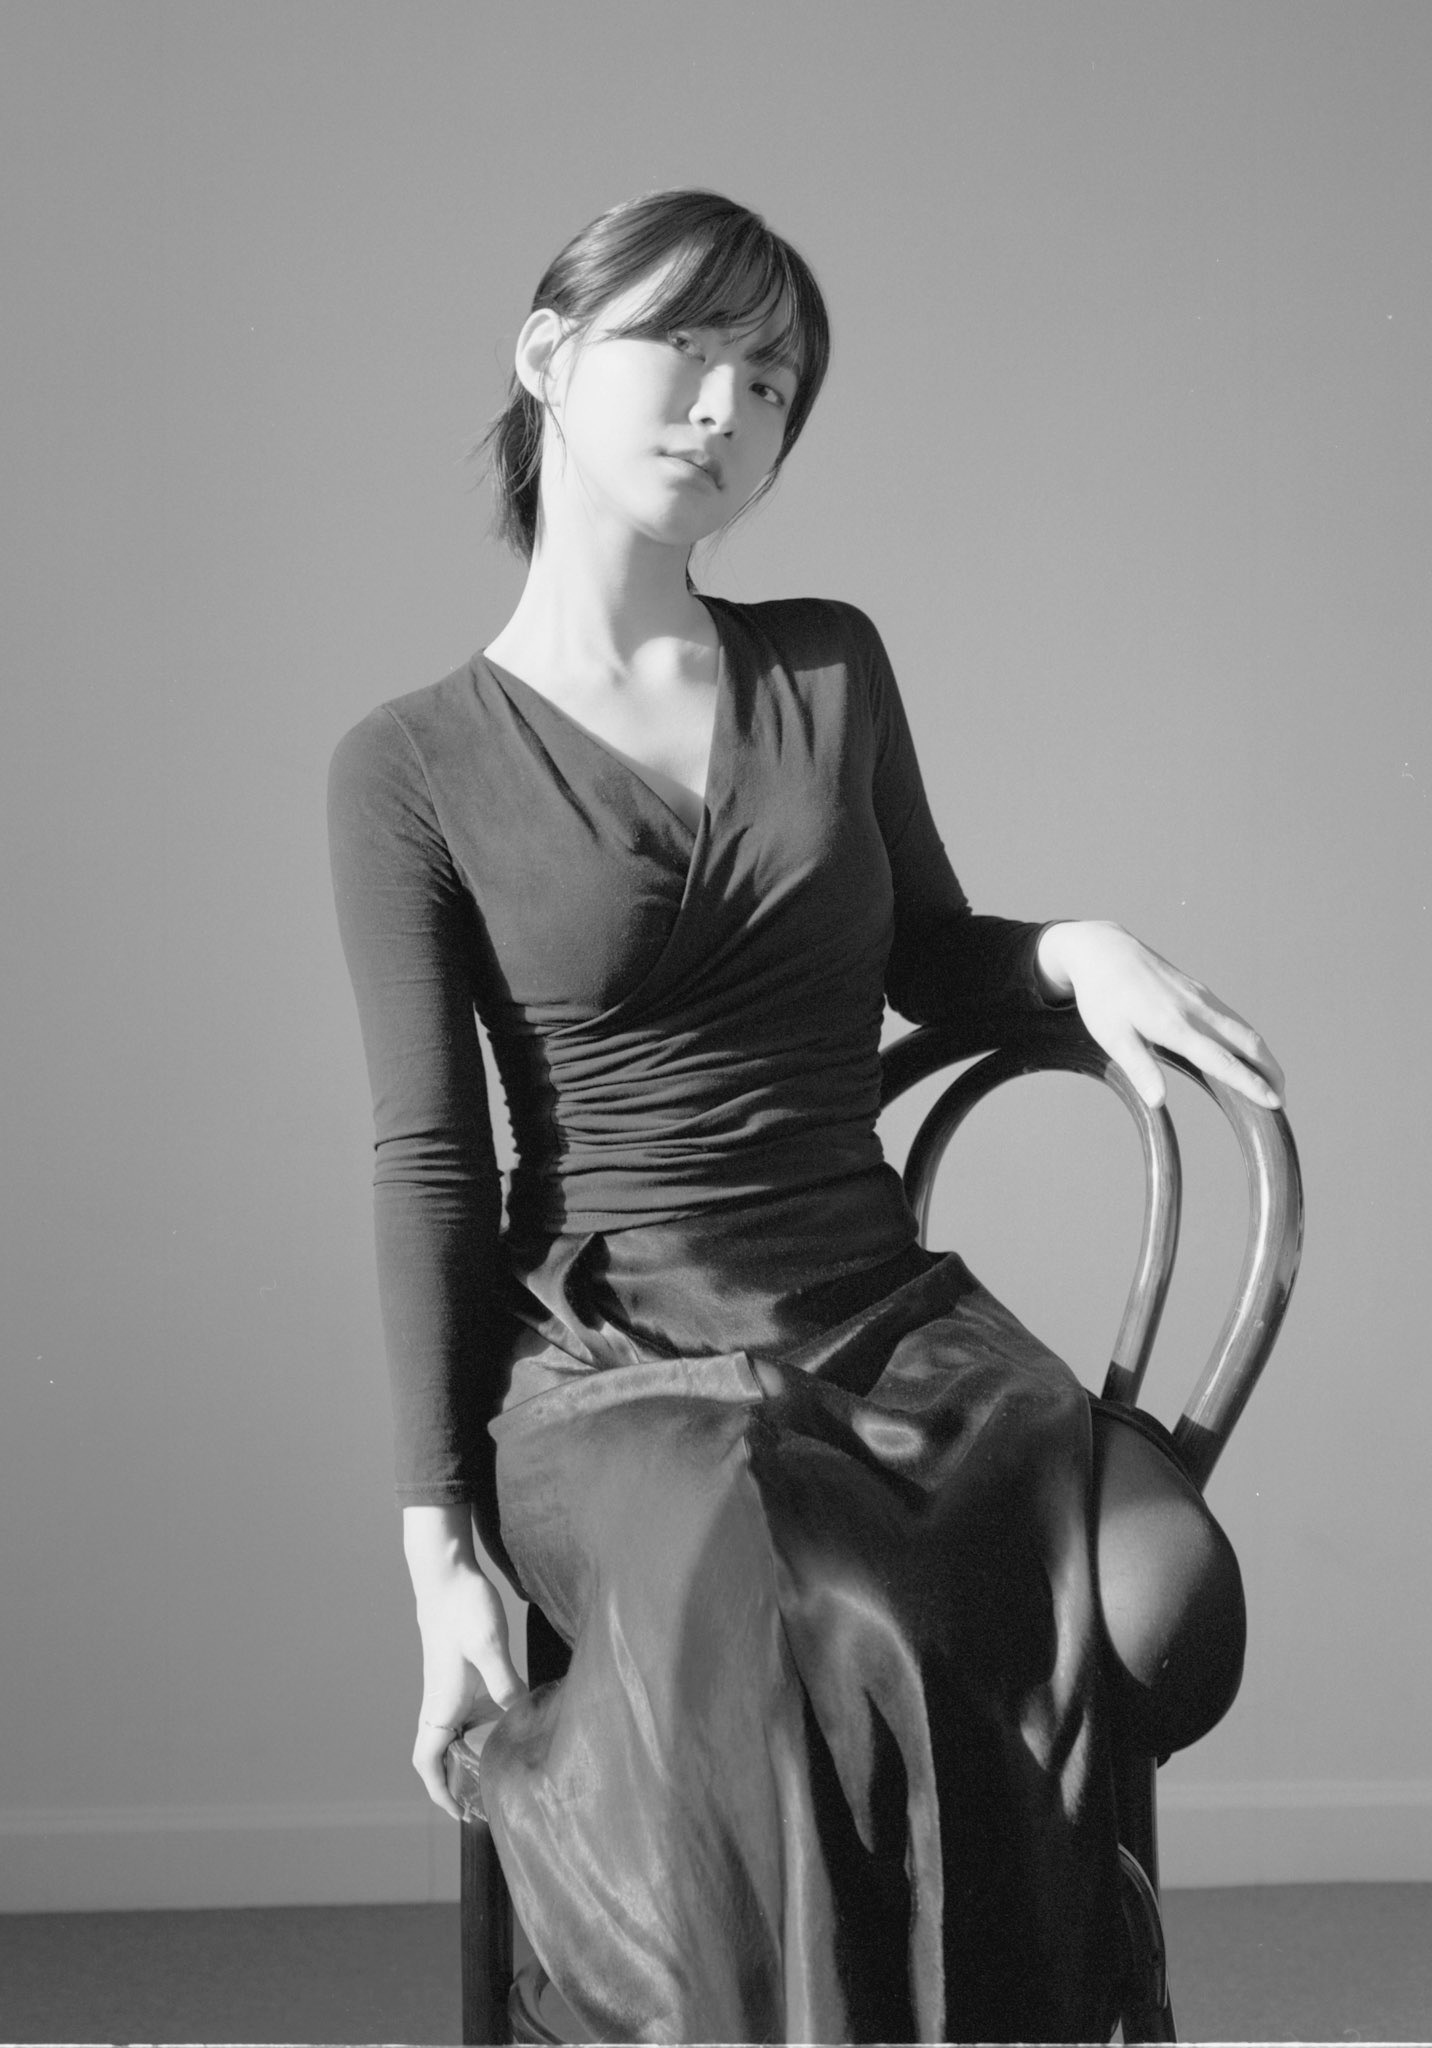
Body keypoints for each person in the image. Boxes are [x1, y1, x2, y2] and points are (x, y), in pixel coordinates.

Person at [328, 189, 1283, 2045]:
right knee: (772, 1580)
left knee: (1157, 1599)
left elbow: (931, 952)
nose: (727, 408)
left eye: (771, 383)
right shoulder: (410, 767)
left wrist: (1068, 948)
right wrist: (438, 1560)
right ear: (546, 358)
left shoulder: (828, 665)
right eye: (686, 348)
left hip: (885, 1319)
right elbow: (429, 1164)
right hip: (612, 1354)